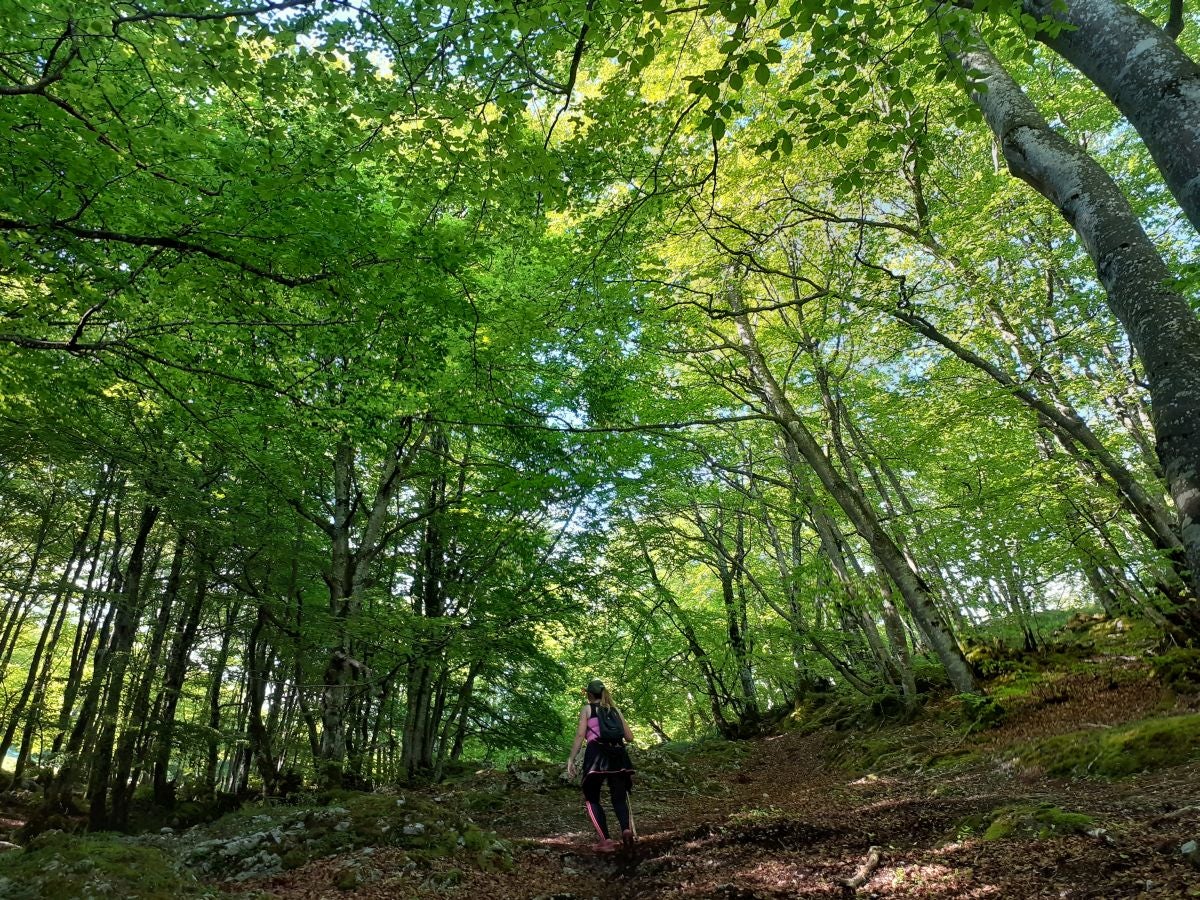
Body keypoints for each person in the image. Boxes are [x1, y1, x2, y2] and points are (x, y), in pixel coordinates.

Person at [566, 678, 636, 853]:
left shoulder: (587, 709)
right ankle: (626, 830)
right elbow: (629, 737)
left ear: (589, 694)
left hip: (596, 755)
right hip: (618, 756)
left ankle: (606, 841)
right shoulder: (616, 710)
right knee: (618, 797)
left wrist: (571, 759)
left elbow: (580, 735)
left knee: (591, 798)